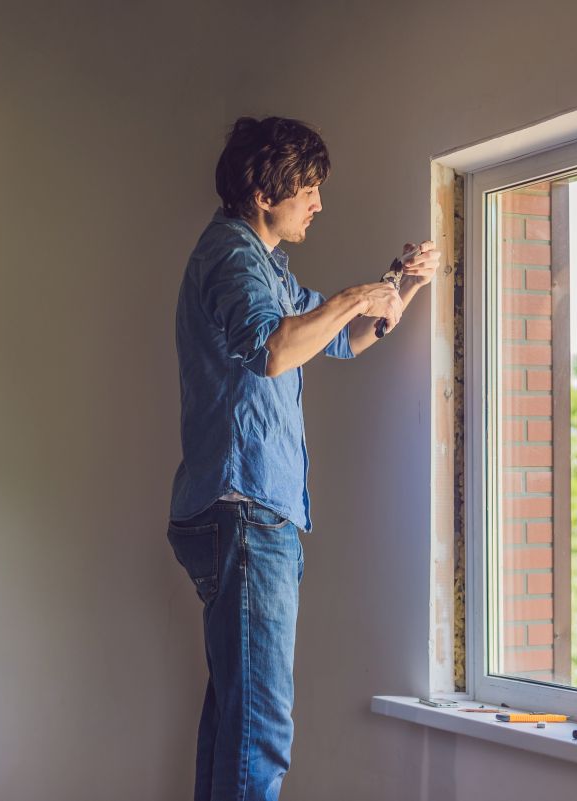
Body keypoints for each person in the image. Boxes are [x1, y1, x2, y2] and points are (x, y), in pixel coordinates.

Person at [165, 116, 438, 801]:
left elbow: (343, 340)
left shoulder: (267, 268)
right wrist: (353, 295)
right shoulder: (231, 254)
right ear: (263, 190)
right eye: (308, 188)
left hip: (243, 510)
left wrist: (399, 285)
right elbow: (274, 349)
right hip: (246, 510)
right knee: (261, 729)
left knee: (235, 718)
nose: (318, 203)